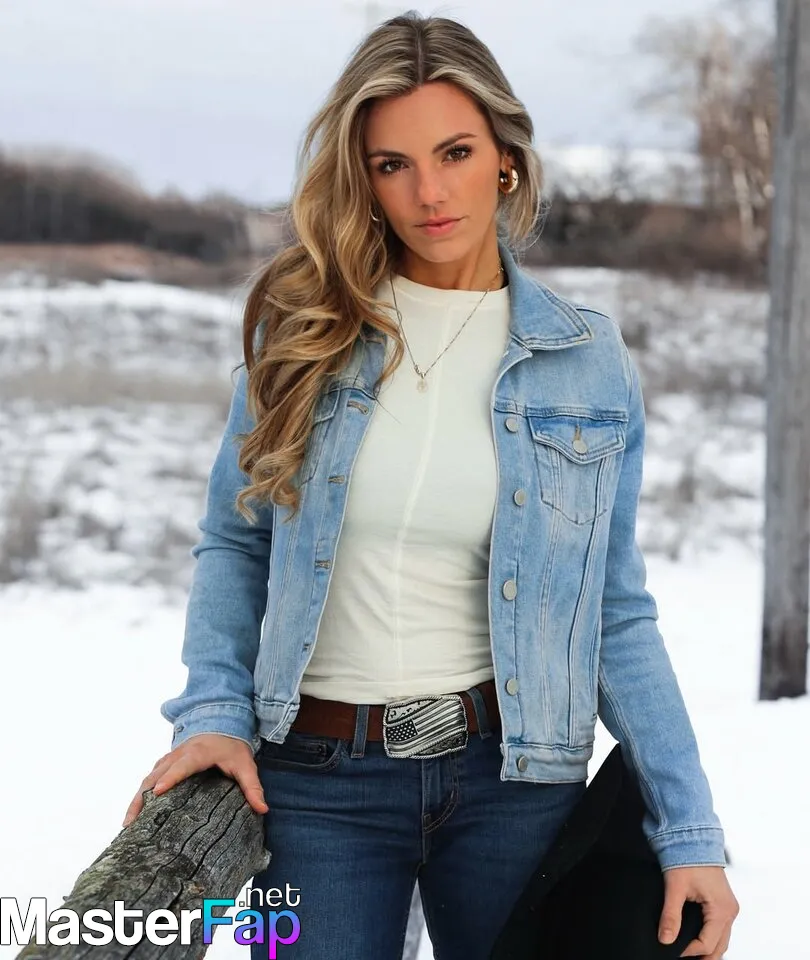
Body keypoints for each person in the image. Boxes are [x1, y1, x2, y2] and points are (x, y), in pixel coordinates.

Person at [123, 11, 739, 960]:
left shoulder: (586, 359)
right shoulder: (304, 334)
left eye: (455, 152)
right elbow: (237, 540)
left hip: (514, 782)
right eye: (392, 164)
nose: (429, 192)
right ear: (362, 179)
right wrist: (212, 713)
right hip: (314, 786)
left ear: (506, 159)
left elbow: (611, 607)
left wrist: (689, 826)